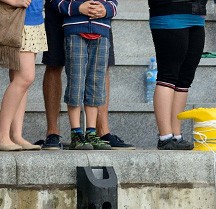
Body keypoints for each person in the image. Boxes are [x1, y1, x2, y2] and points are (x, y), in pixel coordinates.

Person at [37, 0, 131, 150]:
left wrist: (105, 9)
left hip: (98, 22)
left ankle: (100, 132)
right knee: (55, 63)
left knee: (100, 70)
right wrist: (77, 7)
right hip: (65, 13)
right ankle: (53, 132)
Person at [147, 0, 211, 150]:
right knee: (168, 75)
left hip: (197, 14)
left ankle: (176, 135)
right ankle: (165, 137)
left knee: (185, 78)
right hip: (169, 12)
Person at [55, 0, 117, 150]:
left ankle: (91, 132)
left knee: (96, 83)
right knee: (76, 82)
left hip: (101, 31)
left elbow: (114, 4)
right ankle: (76, 133)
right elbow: (57, 3)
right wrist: (78, 8)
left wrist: (106, 10)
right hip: (74, 31)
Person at [0, 0, 43, 151]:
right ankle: (3, 136)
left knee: (21, 81)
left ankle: (16, 135)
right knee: (25, 78)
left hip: (34, 20)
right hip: (18, 20)